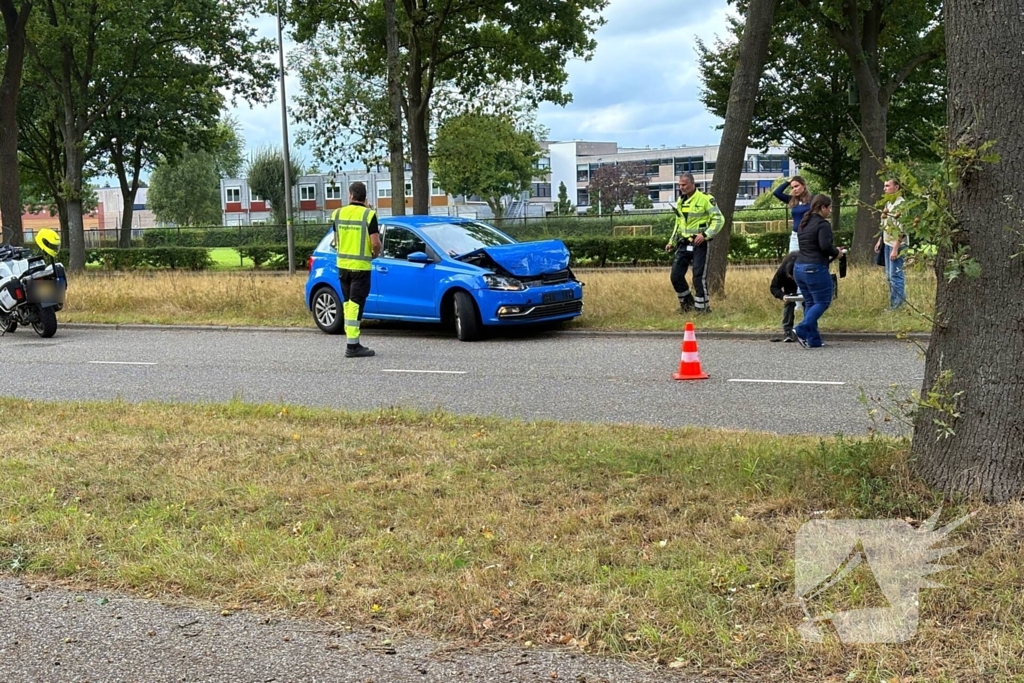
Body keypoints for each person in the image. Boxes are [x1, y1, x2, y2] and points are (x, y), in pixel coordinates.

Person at [330, 181, 382, 358]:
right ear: (364, 197)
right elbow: (375, 243)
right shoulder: (369, 215)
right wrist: (374, 254)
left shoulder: (337, 214)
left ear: (351, 195)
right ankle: (352, 346)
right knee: (355, 305)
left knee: (348, 304)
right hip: (360, 267)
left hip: (343, 266)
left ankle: (352, 341)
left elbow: (336, 241)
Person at [664, 173, 725, 314]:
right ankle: (687, 304)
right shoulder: (680, 201)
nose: (681, 187)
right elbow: (678, 223)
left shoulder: (705, 199)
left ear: (692, 184)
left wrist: (705, 235)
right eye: (679, 185)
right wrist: (671, 242)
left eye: (684, 185)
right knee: (676, 276)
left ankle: (703, 308)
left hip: (700, 244)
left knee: (698, 277)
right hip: (684, 243)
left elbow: (719, 219)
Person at [792, 194, 845, 348]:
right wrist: (837, 252)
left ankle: (814, 340)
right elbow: (825, 246)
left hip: (799, 268)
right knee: (822, 301)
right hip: (814, 268)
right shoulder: (823, 224)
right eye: (829, 208)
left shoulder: (804, 222)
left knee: (810, 302)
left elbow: (810, 245)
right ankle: (801, 329)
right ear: (823, 207)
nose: (830, 211)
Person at [874, 178, 907, 310]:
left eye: (887, 186)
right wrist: (880, 240)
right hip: (887, 243)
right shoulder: (888, 203)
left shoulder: (901, 205)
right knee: (889, 275)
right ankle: (894, 302)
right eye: (884, 186)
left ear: (896, 187)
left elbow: (902, 229)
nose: (885, 188)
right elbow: (885, 224)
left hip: (896, 245)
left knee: (895, 275)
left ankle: (897, 306)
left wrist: (895, 249)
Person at [773, 176, 812, 253]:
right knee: (792, 261)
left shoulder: (813, 200)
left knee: (808, 261)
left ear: (803, 185)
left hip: (809, 235)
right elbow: (776, 193)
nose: (794, 189)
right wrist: (788, 182)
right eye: (792, 187)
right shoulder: (792, 200)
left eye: (796, 186)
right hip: (795, 236)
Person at [769, 250, 800, 342]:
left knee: (808, 303)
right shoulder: (781, 272)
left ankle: (809, 328)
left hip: (806, 280)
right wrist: (782, 296)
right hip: (790, 287)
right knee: (789, 303)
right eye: (791, 277)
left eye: (794, 276)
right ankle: (788, 331)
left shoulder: (804, 265)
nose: (793, 278)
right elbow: (774, 287)